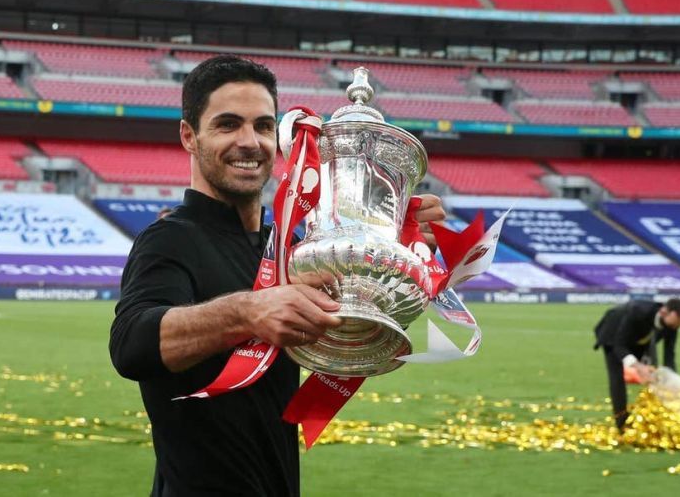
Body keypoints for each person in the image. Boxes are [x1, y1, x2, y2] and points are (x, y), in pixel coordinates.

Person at [109, 54, 446, 496]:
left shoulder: (289, 250)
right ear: (189, 136)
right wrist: (249, 312)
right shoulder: (170, 239)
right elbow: (131, 344)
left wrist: (394, 246)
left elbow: (354, 328)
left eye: (264, 126)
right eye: (227, 124)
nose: (249, 142)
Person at [593, 297, 680, 431]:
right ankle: (622, 423)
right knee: (617, 377)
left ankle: (654, 417)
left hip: (641, 339)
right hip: (613, 334)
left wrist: (673, 381)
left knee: (652, 375)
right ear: (665, 312)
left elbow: (669, 356)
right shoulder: (638, 312)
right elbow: (619, 345)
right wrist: (638, 366)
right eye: (678, 319)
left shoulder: (672, 324)